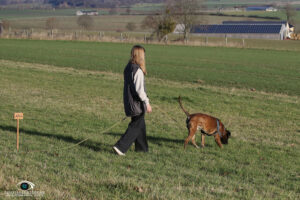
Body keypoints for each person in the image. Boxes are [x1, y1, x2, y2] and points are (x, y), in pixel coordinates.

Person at [113, 45, 152, 156]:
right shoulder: (138, 71)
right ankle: (120, 147)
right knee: (135, 125)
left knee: (140, 124)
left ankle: (142, 149)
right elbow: (140, 91)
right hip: (136, 103)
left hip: (129, 101)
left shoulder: (129, 67)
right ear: (140, 55)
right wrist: (147, 103)